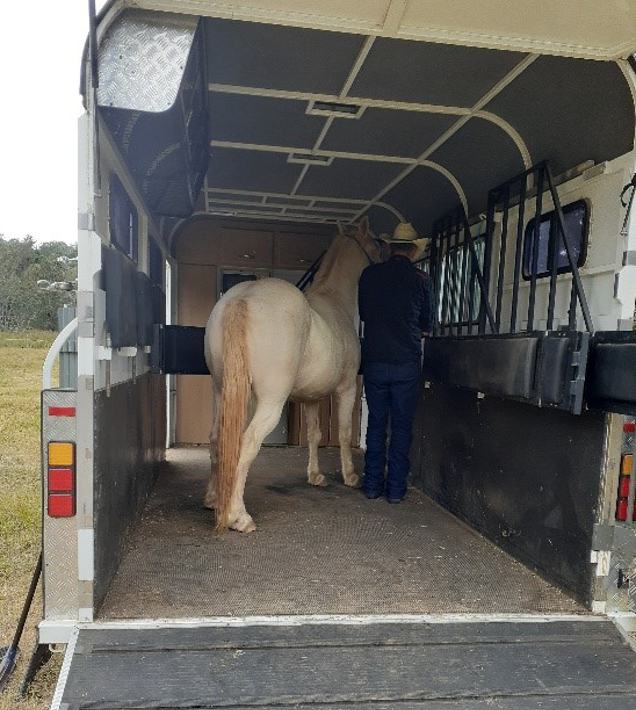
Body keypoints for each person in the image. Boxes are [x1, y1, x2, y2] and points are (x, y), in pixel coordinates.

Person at [358, 222, 434, 504]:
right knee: (401, 428)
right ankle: (396, 491)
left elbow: (364, 314)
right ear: (413, 250)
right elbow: (427, 326)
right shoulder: (422, 279)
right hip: (406, 364)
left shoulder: (369, 275)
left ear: (389, 248)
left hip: (375, 361)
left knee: (376, 424)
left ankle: (371, 486)